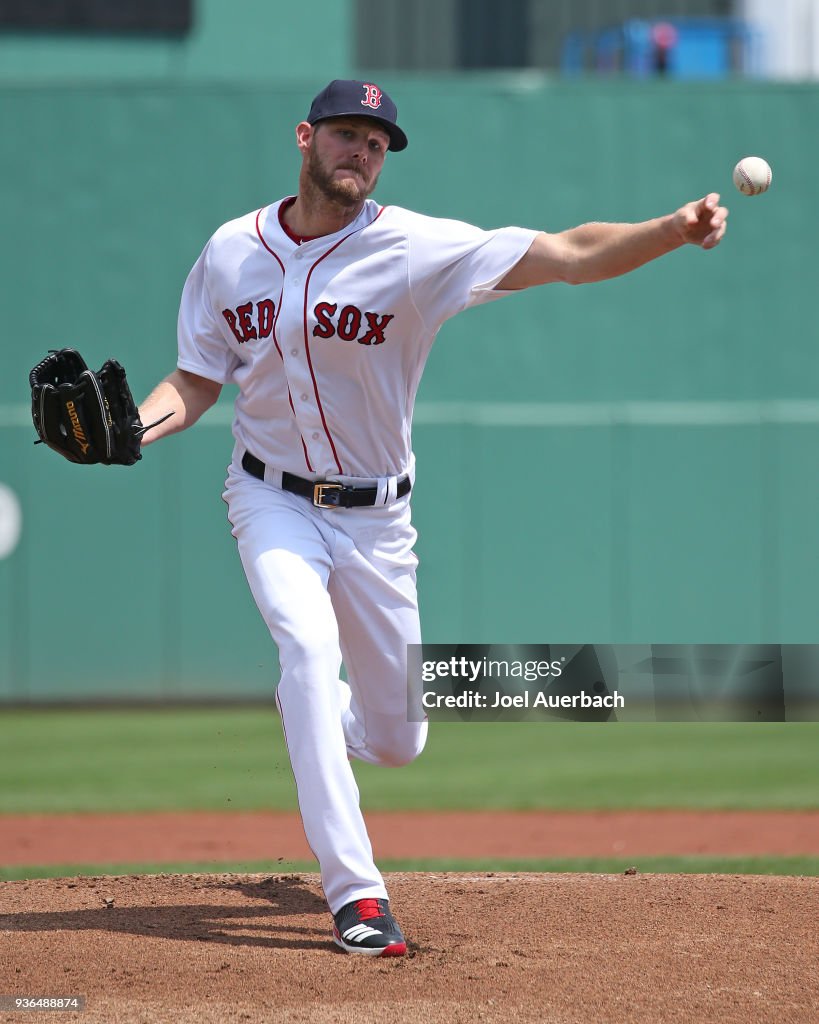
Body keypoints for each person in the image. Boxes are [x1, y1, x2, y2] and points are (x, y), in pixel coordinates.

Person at [137, 79, 728, 956]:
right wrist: (134, 431)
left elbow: (567, 252)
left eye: (378, 144)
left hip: (377, 522)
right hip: (268, 494)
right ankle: (357, 894)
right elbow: (194, 378)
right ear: (305, 138)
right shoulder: (231, 251)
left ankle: (319, 717)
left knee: (398, 738)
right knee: (304, 646)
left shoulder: (415, 248)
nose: (363, 154)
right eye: (347, 135)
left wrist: (668, 232)